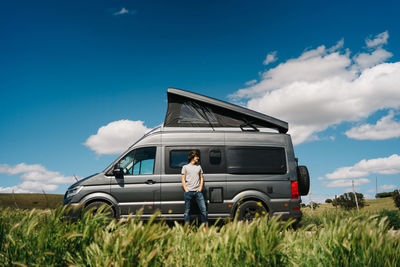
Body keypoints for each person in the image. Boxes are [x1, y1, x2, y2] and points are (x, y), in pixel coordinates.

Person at [181, 150, 207, 225]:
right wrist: (186, 189)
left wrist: (200, 188)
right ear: (192, 157)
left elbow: (201, 178)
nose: (198, 158)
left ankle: (204, 227)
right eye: (196, 156)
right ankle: (187, 227)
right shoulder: (185, 167)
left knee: (203, 210)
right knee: (187, 211)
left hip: (198, 192)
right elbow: (183, 179)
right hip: (188, 192)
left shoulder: (199, 167)